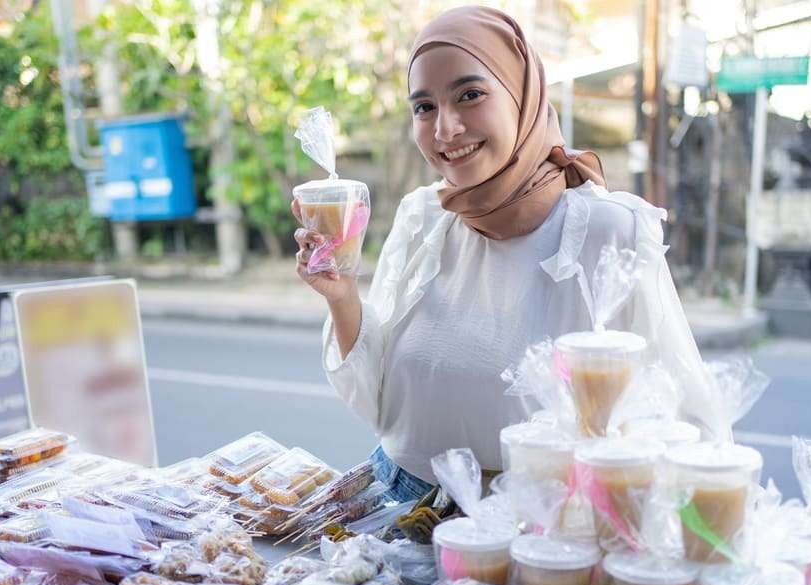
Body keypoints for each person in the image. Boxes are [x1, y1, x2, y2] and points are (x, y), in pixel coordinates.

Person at [292, 5, 720, 503]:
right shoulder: (422, 218)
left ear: (522, 95)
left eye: (470, 95)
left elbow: (688, 426)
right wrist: (342, 297)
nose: (445, 129)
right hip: (393, 505)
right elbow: (379, 404)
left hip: (534, 531)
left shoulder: (608, 232)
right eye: (424, 107)